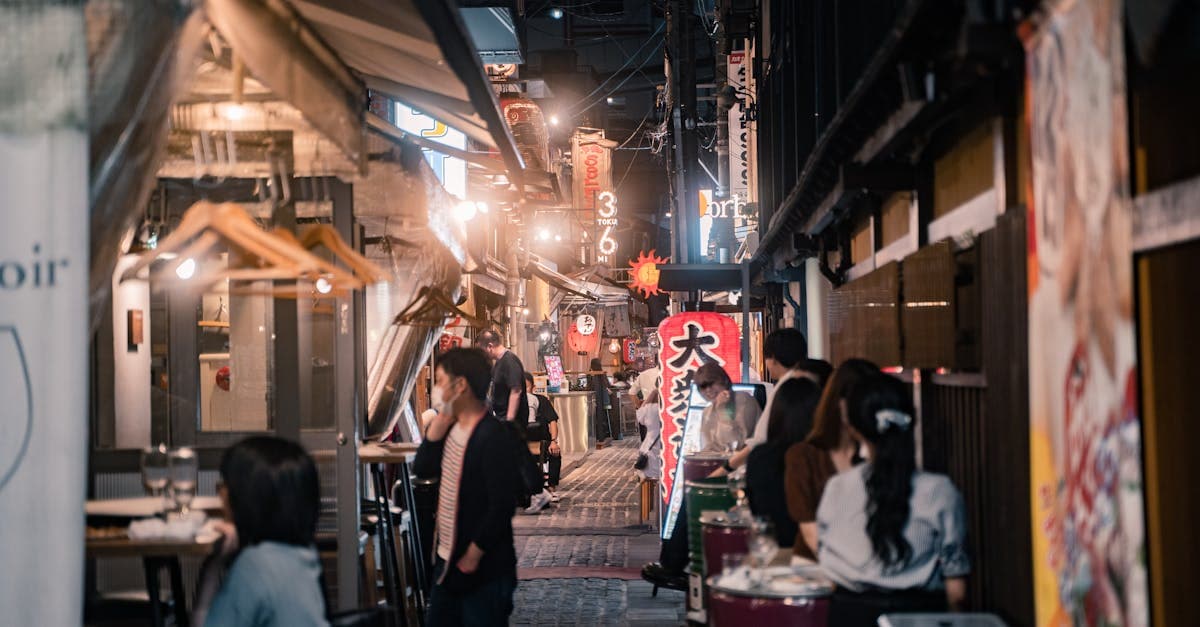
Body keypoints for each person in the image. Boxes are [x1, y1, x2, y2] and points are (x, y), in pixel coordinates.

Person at [817, 373, 970, 625]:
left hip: (848, 618)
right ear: (912, 420)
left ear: (853, 428)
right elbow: (957, 592)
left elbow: (829, 575)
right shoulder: (940, 491)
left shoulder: (836, 489)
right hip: (920, 619)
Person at [413, 348, 521, 627]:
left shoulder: (492, 435)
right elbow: (423, 469)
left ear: (460, 385)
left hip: (483, 567)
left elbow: (502, 504)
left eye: (439, 381)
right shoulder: (450, 428)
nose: (436, 389)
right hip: (446, 561)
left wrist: (473, 555)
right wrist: (441, 421)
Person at [197, 436, 328, 627]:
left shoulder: (254, 565)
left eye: (225, 484)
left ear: (249, 497)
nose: (221, 493)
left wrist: (212, 567)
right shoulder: (303, 555)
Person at [785, 358, 879, 560]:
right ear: (838, 403)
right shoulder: (803, 456)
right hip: (814, 566)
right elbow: (812, 535)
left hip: (873, 566)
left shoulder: (879, 453)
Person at [477, 329, 550, 513]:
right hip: (503, 418)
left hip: (511, 419)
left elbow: (516, 390)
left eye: (482, 350)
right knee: (515, 457)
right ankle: (530, 494)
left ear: (490, 346)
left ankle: (537, 493)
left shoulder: (509, 361)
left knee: (518, 457)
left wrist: (508, 420)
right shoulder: (500, 363)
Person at [744, 378, 822, 548]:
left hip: (771, 549)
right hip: (810, 551)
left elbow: (755, 509)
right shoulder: (819, 456)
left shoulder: (759, 456)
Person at [693, 362, 760, 453]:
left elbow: (735, 445)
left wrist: (722, 410)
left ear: (724, 381)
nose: (708, 390)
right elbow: (707, 448)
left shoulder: (744, 400)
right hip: (721, 465)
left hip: (746, 463)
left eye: (711, 383)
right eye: (703, 387)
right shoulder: (707, 412)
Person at [524, 372, 562, 502]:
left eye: (526, 387)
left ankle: (552, 488)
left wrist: (554, 441)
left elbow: (552, 421)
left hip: (543, 442)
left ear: (533, 387)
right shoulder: (513, 401)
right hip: (520, 443)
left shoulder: (542, 400)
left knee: (555, 452)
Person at [634, 389, 663, 481]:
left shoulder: (650, 408)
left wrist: (652, 394)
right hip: (666, 448)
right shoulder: (673, 409)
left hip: (650, 446)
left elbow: (639, 415)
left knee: (650, 477)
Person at [588, 357, 619, 443]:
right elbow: (608, 385)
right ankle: (602, 436)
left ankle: (596, 436)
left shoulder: (591, 374)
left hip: (594, 399)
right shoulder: (602, 374)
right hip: (604, 400)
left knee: (594, 419)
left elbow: (589, 387)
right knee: (602, 418)